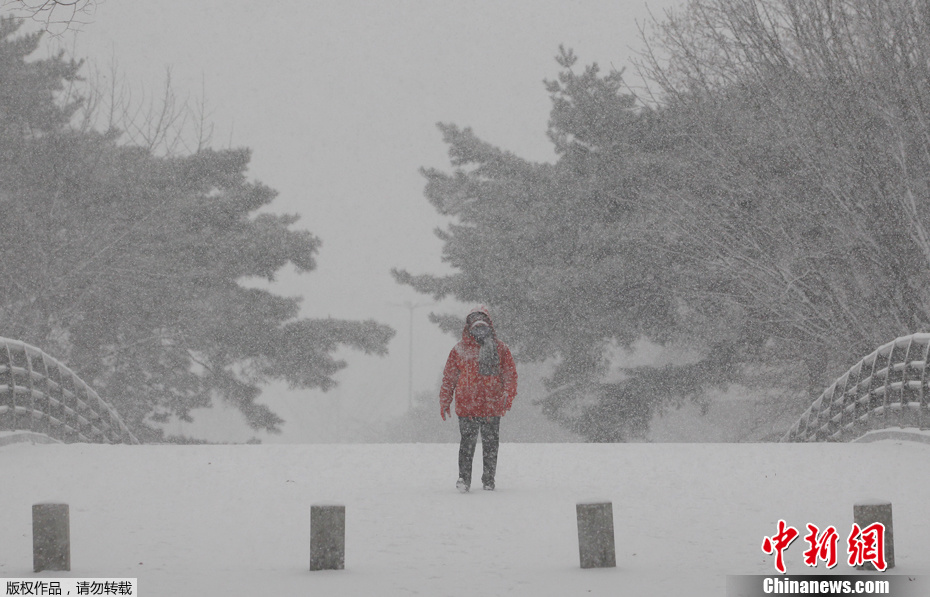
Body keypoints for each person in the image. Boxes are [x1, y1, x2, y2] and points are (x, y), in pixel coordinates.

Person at [439, 306, 517, 492]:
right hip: (467, 407)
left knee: (491, 446)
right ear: (469, 327)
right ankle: (463, 480)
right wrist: (445, 400)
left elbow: (510, 375)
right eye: (476, 326)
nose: (480, 330)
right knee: (467, 444)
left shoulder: (501, 349)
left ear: (489, 326)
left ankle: (489, 481)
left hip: (492, 405)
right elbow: (449, 378)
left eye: (483, 326)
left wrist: (508, 394)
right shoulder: (459, 350)